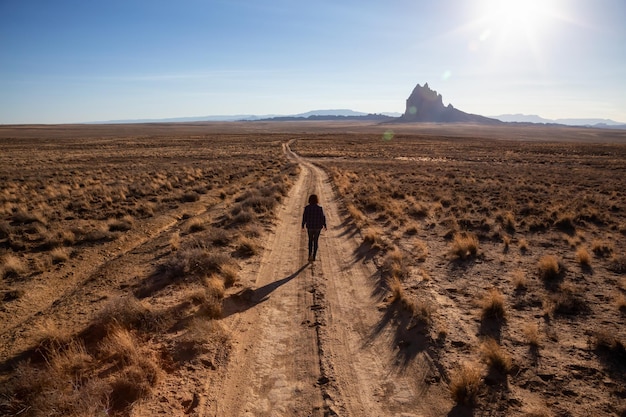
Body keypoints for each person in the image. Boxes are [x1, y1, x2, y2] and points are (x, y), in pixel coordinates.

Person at [302, 194, 327, 262]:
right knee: (316, 241)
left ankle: (309, 254)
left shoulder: (307, 208)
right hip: (318, 227)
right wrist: (325, 225)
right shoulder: (320, 208)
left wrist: (303, 225)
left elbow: (304, 217)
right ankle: (314, 256)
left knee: (310, 240)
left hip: (310, 226)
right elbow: (323, 217)